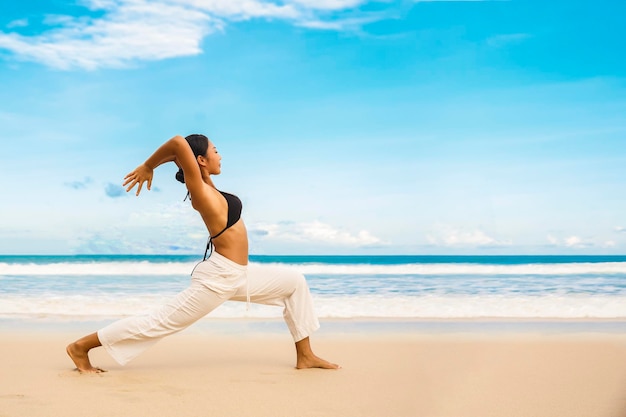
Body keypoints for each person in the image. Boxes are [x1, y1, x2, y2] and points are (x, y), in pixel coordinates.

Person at [66, 134, 339, 373]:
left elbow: (176, 152)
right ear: (201, 159)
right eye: (215, 151)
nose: (220, 155)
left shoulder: (210, 188)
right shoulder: (199, 192)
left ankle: (305, 356)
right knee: (159, 323)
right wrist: (148, 166)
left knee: (295, 283)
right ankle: (81, 347)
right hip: (218, 279)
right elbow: (176, 142)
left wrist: (166, 162)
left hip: (238, 274)